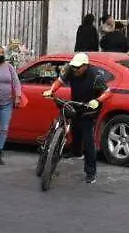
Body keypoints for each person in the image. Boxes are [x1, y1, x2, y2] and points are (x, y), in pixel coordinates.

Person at [44, 53, 111, 184]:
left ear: (85, 66)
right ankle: (74, 151)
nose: (75, 70)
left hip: (89, 107)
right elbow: (60, 81)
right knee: (75, 130)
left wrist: (97, 100)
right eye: (74, 67)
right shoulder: (70, 69)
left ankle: (91, 173)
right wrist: (51, 90)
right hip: (75, 104)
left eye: (78, 68)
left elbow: (108, 92)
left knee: (88, 141)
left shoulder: (96, 75)